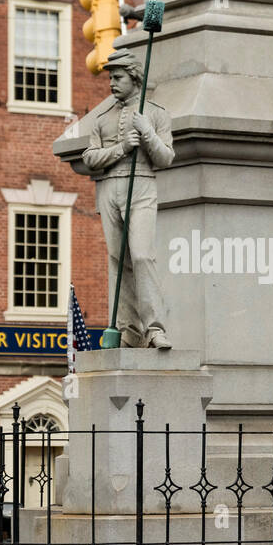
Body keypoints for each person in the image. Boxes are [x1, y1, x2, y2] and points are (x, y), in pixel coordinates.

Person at [82, 49, 174, 349]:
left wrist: (147, 134)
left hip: (143, 185)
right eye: (110, 78)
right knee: (118, 262)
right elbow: (89, 158)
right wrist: (121, 148)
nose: (112, 83)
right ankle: (128, 331)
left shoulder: (156, 114)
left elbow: (166, 158)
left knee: (143, 256)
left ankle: (154, 329)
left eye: (118, 77)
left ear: (134, 77)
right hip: (110, 188)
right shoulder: (101, 118)